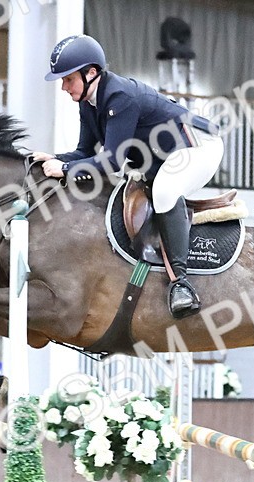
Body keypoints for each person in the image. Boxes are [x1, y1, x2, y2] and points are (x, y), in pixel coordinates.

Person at [32, 34, 223, 319]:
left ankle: (181, 284)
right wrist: (56, 159)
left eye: (68, 79)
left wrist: (67, 169)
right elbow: (85, 151)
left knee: (164, 191)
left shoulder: (119, 97)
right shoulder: (89, 102)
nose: (63, 87)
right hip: (166, 155)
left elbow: (112, 161)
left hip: (199, 146)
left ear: (91, 72)